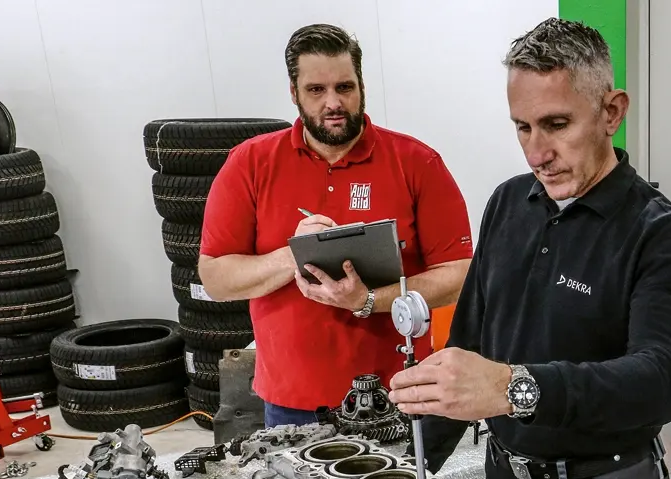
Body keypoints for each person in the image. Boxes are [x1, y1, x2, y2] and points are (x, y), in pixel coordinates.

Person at [387, 18, 671, 479]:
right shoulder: (509, 203)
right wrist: (406, 476)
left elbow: (660, 381)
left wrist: (514, 388)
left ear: (611, 112)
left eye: (556, 125)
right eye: (522, 128)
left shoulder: (658, 231)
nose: (536, 153)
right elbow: (469, 346)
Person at [199, 23, 473, 427]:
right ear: (294, 93)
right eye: (316, 90)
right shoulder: (250, 164)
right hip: (292, 403)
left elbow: (460, 275)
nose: (333, 103)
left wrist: (369, 300)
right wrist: (293, 255)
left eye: (345, 87)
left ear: (361, 86)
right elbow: (215, 279)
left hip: (397, 393)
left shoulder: (417, 163)